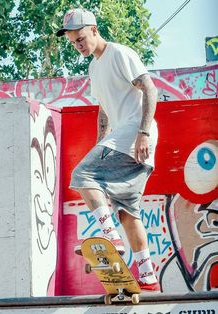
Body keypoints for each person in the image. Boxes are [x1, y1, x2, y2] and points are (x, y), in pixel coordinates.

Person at [56, 8, 160, 292]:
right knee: (128, 210)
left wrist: (143, 132)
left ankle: (111, 237)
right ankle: (149, 277)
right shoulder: (94, 67)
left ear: (94, 29)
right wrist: (101, 140)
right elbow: (104, 108)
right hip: (124, 136)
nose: (78, 45)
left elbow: (150, 89)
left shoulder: (119, 53)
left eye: (80, 38)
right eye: (72, 41)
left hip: (136, 131)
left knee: (82, 175)